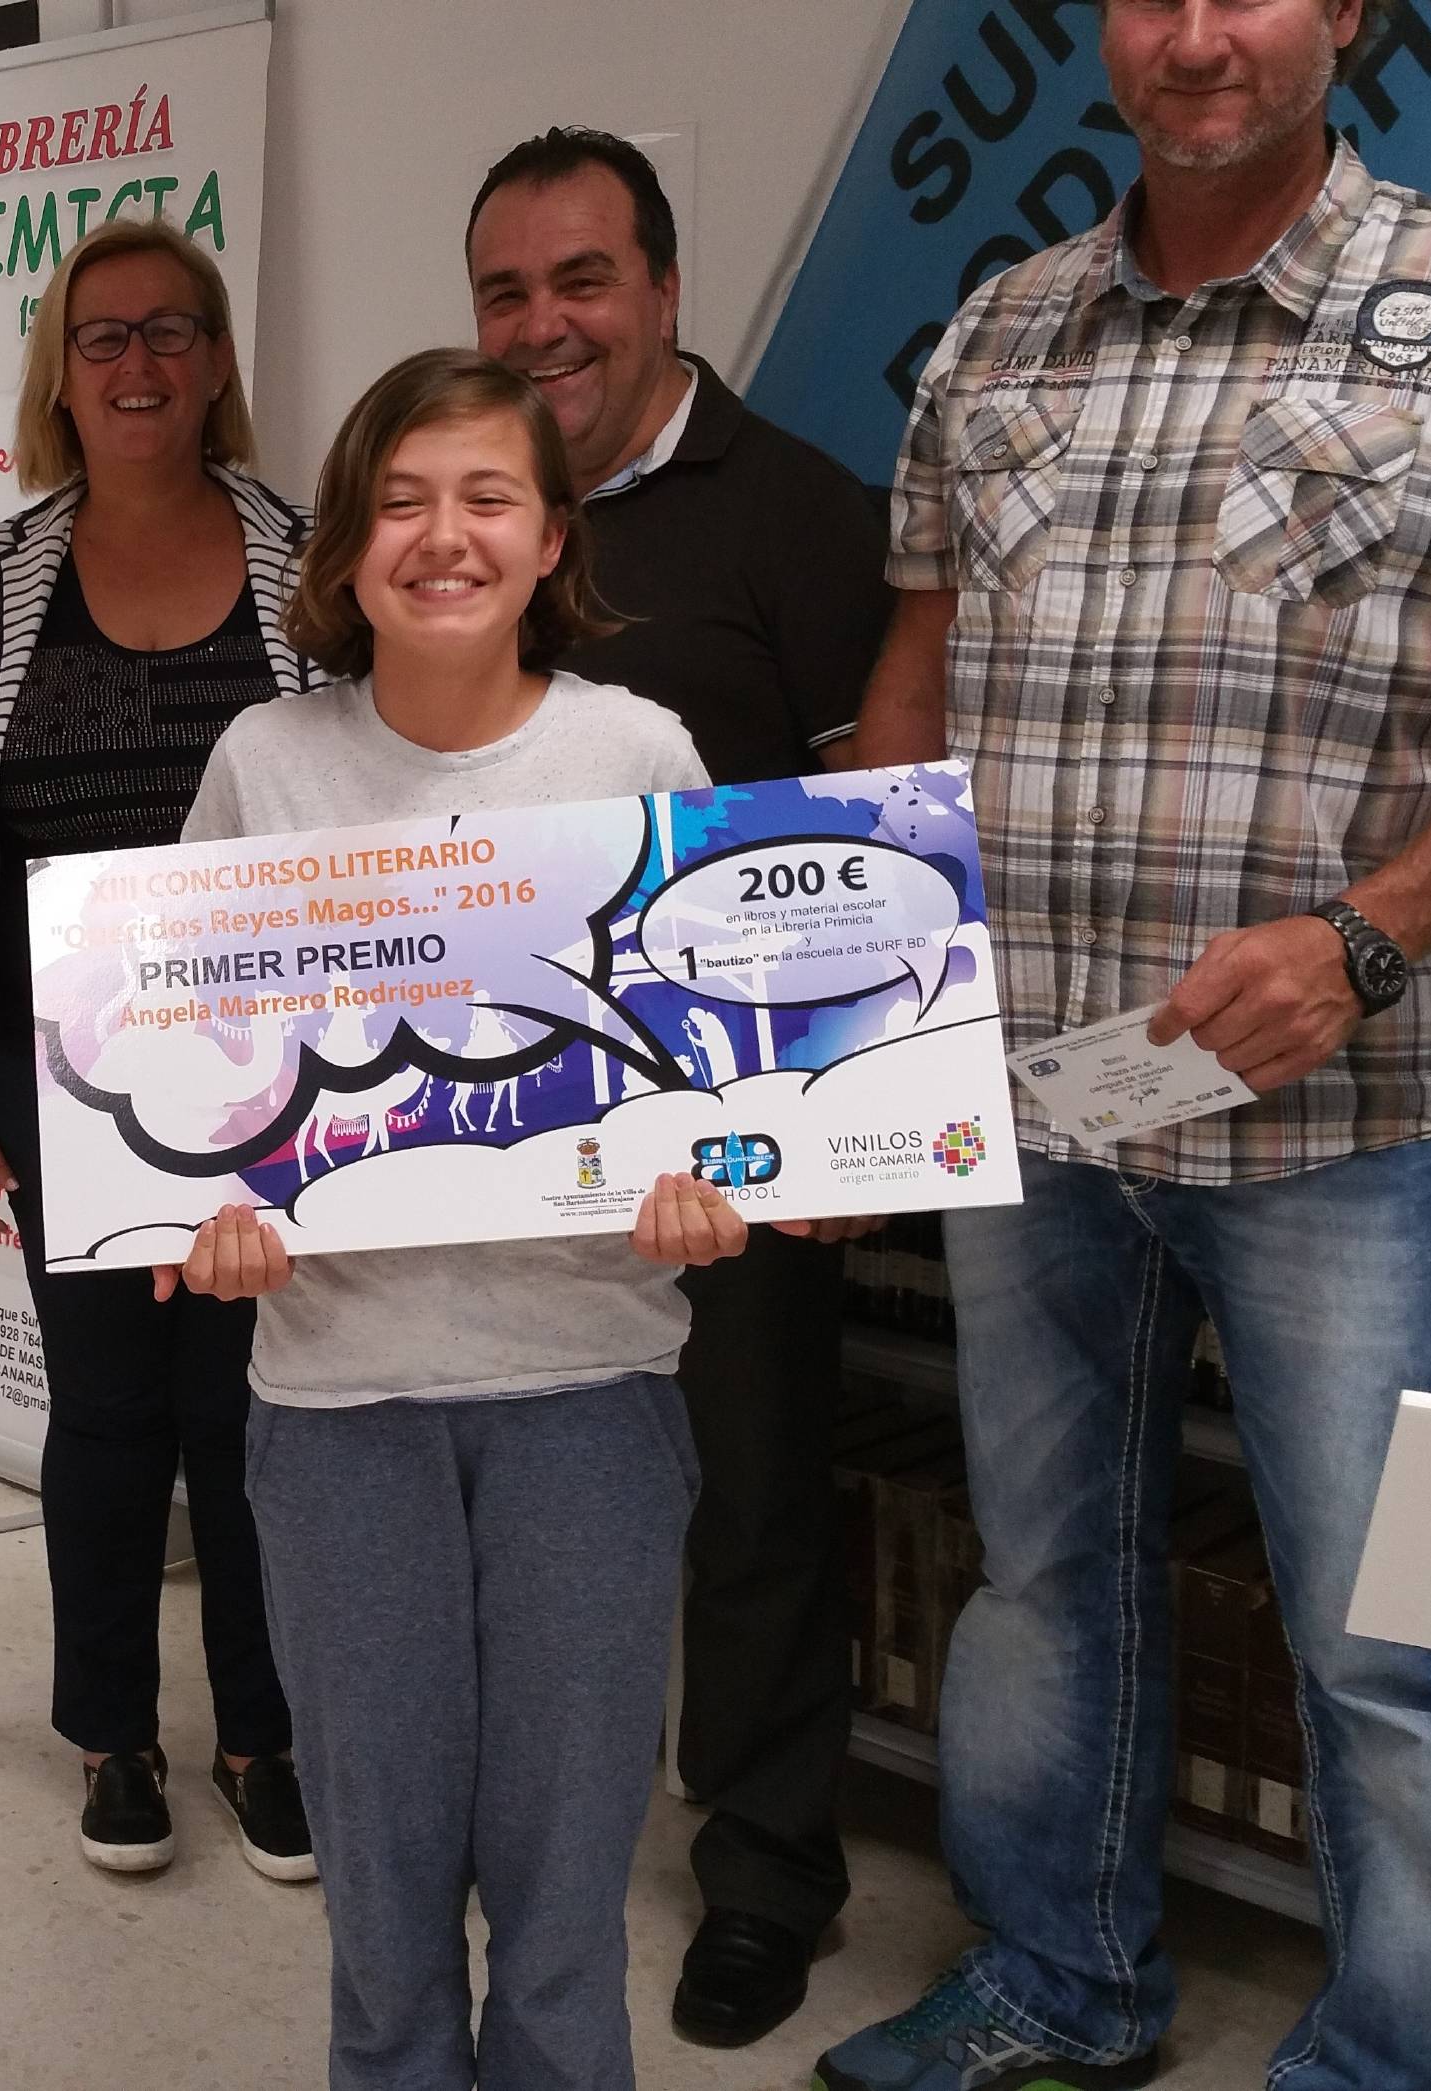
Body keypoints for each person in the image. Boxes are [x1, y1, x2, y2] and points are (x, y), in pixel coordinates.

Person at [822, 3, 1431, 2086]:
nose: (1196, 32)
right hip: (1038, 1093)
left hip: (1343, 1114)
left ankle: (1400, 2058)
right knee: (1041, 1572)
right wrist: (867, 1024)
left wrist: (1363, 941)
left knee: (1380, 1639)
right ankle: (1057, 1979)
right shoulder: (999, 332)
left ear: (1347, 12)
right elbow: (912, 676)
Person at [169, 345, 871, 2087]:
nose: (443, 536)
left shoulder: (635, 751)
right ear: (345, 546)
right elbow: (191, 1068)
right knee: (384, 1916)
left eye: (486, 497)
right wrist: (211, 1213)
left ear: (552, 539)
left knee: (566, 1921)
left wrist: (718, 1186)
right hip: (337, 1408)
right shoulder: (265, 761)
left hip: (588, 1398)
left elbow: (712, 1076)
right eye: (400, 501)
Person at [464, 125, 893, 2050]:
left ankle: (767, 1870)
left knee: (751, 1493)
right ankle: (526, 1826)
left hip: (732, 1113)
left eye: (581, 281)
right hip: (497, 1105)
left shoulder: (799, 511)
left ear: (660, 290)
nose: (542, 324)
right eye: (503, 291)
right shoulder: (467, 508)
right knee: (527, 1483)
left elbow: (871, 829)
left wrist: (846, 1128)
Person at [0, 216, 316, 1879]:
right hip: (55, 1069)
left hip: (274, 1064)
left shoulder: (303, 554)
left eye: (169, 330)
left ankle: (262, 1733)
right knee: (110, 1410)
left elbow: (358, 804)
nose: (137, 363)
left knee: (255, 1408)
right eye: (101, 336)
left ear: (216, 360)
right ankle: (110, 1735)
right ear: (59, 374)